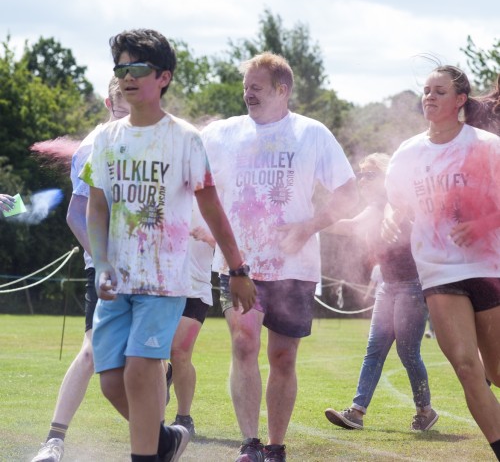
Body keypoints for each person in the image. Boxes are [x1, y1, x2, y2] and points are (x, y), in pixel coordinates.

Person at [82, 28, 256, 462]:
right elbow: (97, 206)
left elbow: (213, 209)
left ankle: (144, 456)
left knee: (143, 371)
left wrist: (237, 269)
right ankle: (164, 441)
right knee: (110, 382)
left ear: (163, 77)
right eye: (120, 67)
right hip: (115, 281)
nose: (126, 76)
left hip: (163, 281)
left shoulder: (185, 139)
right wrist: (101, 263)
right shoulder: (105, 139)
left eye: (137, 67)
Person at [201, 52, 357, 462]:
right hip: (240, 265)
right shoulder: (220, 134)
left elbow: (348, 193)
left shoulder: (311, 133)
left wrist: (307, 226)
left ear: (281, 90)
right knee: (243, 342)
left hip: (295, 265)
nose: (247, 94)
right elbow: (193, 185)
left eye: (257, 87)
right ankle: (249, 444)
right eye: (246, 86)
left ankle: (276, 446)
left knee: (282, 357)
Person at [384, 65, 500, 460]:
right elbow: (396, 203)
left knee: (497, 372)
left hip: (487, 266)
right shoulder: (408, 153)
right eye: (426, 91)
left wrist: (482, 222)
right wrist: (389, 217)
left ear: (460, 100)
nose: (429, 98)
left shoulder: (485, 146)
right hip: (437, 269)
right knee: (467, 368)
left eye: (439, 91)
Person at [31, 77, 130, 462]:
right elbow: (77, 215)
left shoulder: (148, 136)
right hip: (105, 269)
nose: (127, 115)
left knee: (152, 357)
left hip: (149, 268)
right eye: (121, 107)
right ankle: (54, 441)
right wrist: (103, 264)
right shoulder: (92, 147)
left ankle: (156, 436)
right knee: (91, 352)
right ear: (108, 102)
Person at [323, 153, 438, 432]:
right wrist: (308, 222)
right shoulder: (374, 207)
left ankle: (425, 410)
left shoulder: (400, 204)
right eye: (360, 174)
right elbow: (349, 226)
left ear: (387, 177)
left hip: (411, 286)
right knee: (374, 350)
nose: (362, 180)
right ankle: (357, 412)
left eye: (370, 174)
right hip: (388, 286)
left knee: (408, 351)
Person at [167, 200, 215, 437]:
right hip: (162, 284)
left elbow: (234, 242)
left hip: (196, 288)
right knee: (157, 353)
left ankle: (184, 418)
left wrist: (209, 236)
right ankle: (168, 373)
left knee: (180, 352)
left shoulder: (213, 196)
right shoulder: (163, 186)